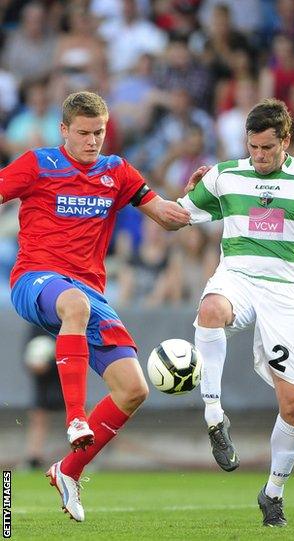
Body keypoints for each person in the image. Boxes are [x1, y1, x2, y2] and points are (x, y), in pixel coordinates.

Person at [0, 90, 197, 522]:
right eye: (85, 133)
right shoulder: (37, 164)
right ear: (64, 130)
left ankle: (68, 471)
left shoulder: (117, 171)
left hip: (89, 292)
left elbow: (164, 214)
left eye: (100, 133)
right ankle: (75, 419)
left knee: (134, 389)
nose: (93, 141)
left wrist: (195, 203)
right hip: (35, 279)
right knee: (73, 304)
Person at [179, 98, 294, 527]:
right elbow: (177, 217)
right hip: (237, 276)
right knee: (210, 309)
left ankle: (272, 492)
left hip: (287, 292)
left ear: (286, 142)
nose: (259, 156)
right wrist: (177, 196)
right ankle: (214, 416)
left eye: (267, 148)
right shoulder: (224, 175)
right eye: (253, 147)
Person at [23, 325, 64, 469]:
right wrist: (33, 365)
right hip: (43, 381)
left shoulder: (66, 322)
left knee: (76, 416)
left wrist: (51, 363)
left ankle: (82, 456)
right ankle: (34, 457)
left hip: (64, 376)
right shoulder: (36, 324)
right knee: (38, 416)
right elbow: (27, 349)